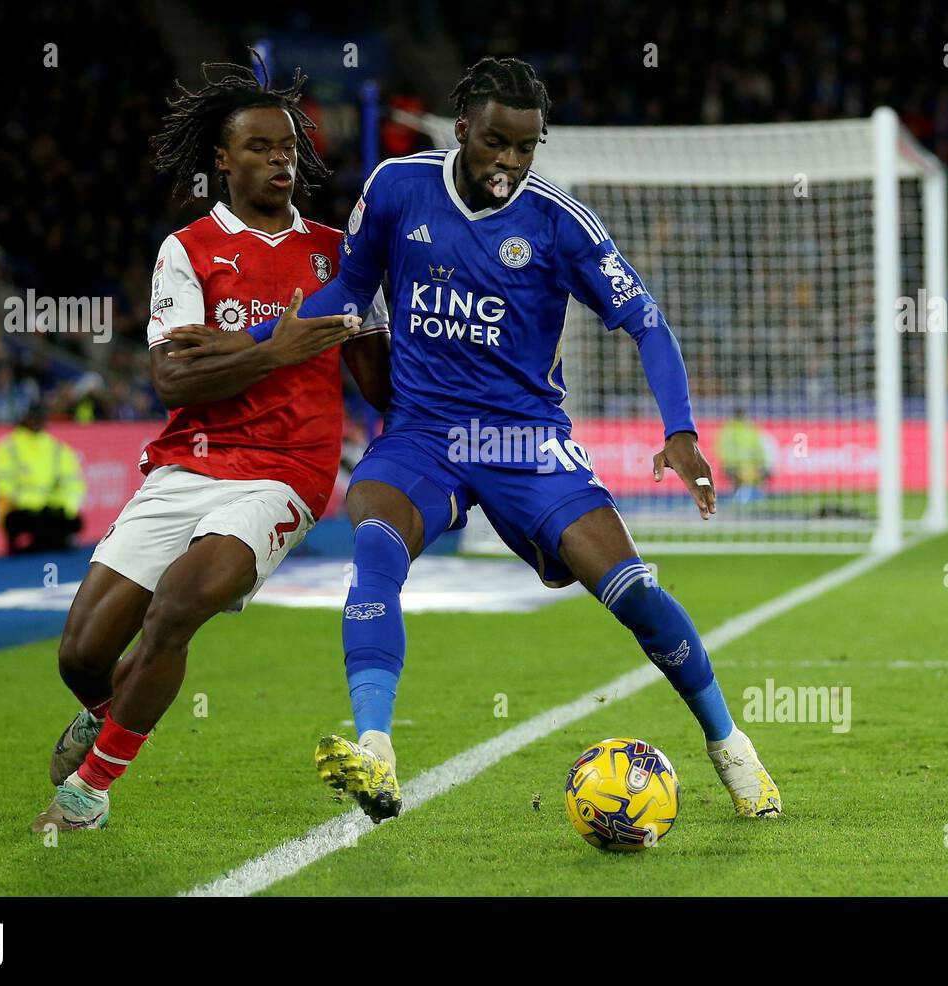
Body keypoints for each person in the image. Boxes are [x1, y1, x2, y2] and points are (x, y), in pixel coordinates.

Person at [176, 58, 781, 824]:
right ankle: (377, 750)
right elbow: (348, 296)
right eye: (496, 142)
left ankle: (730, 746)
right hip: (423, 433)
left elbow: (646, 322)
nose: (510, 163)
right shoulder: (397, 189)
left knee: (632, 592)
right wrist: (250, 339)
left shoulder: (561, 225)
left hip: (525, 441)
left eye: (526, 148)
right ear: (462, 128)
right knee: (373, 537)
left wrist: (682, 430)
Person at [32, 56, 390, 832]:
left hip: (286, 472)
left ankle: (88, 792)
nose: (280, 160)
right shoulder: (187, 249)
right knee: (81, 656)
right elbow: (174, 379)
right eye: (260, 148)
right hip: (189, 459)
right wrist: (275, 352)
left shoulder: (339, 255)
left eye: (289, 148)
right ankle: (117, 710)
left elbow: (379, 383)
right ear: (222, 161)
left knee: (177, 608)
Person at [0, 404, 85, 553]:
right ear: (25, 418)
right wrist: (36, 503)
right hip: (21, 510)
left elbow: (72, 484)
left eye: (41, 417)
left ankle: (46, 541)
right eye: (34, 417)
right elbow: (4, 486)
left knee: (74, 521)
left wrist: (63, 506)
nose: (37, 421)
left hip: (51, 509)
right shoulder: (8, 447)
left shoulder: (57, 448)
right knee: (32, 522)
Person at [717, 408, 770, 502]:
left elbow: (759, 448)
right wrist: (737, 466)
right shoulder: (729, 430)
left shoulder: (750, 428)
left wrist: (762, 464)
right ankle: (739, 498)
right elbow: (725, 452)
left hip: (752, 466)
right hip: (735, 466)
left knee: (761, 473)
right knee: (741, 475)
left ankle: (756, 497)